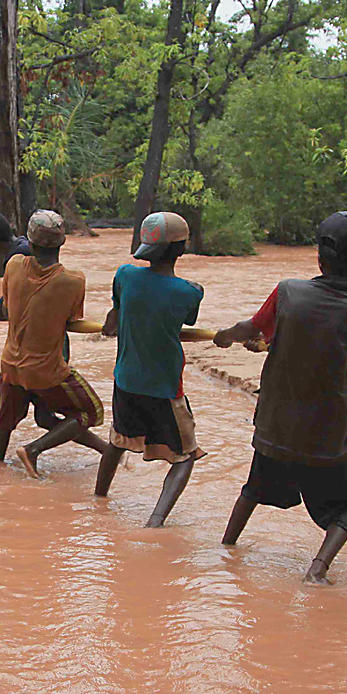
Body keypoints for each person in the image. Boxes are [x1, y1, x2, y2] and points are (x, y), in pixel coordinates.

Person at [214, 211, 347, 584]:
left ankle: (226, 548)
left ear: (319, 258)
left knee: (254, 488)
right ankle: (317, 571)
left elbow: (251, 328)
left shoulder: (289, 291)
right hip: (326, 430)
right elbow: (336, 344)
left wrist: (225, 336)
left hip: (276, 422)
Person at [0, 210, 111, 476]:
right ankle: (33, 450)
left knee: (4, 420)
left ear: (30, 242)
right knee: (91, 412)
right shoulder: (74, 281)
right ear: (62, 243)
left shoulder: (13, 266)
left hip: (11, 364)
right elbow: (71, 319)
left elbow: (6, 307)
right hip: (46, 369)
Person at [94, 211, 205, 527]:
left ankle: (98, 498)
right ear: (181, 249)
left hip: (125, 381)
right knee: (185, 456)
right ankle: (155, 523)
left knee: (118, 440)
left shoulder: (125, 275)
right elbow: (188, 320)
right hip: (164, 388)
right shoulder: (189, 292)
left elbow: (113, 317)